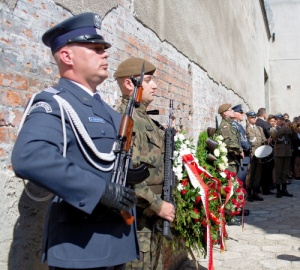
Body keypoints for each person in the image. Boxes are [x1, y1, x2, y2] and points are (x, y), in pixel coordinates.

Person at [11, 13, 139, 269]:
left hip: (117, 240)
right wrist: (100, 191)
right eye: (95, 48)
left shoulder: (107, 111)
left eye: (104, 49)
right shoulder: (53, 103)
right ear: (67, 57)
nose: (105, 54)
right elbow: (29, 157)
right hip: (82, 245)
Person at [114, 57, 176, 270]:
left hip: (152, 218)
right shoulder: (127, 120)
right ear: (130, 83)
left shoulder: (145, 119)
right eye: (148, 80)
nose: (155, 85)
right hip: (136, 220)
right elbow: (127, 174)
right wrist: (159, 206)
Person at [245, 111, 267, 202]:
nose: (254, 119)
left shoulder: (259, 129)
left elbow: (263, 139)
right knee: (250, 174)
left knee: (258, 174)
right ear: (248, 119)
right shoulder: (246, 129)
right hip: (251, 153)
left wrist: (266, 141)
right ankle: (249, 193)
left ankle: (255, 192)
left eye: (255, 117)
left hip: (259, 154)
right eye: (252, 117)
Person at [270, 113, 294, 198]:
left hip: (287, 151)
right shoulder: (274, 129)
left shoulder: (287, 128)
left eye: (282, 119)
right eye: (280, 119)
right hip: (279, 152)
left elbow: (293, 137)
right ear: (276, 120)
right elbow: (275, 136)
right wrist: (284, 128)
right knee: (278, 172)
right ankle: (278, 190)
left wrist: (289, 128)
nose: (282, 121)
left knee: (285, 171)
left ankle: (284, 189)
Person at [216, 103, 243, 173]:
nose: (233, 111)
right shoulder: (225, 126)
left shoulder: (229, 125)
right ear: (225, 113)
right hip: (229, 161)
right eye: (231, 110)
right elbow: (228, 143)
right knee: (231, 182)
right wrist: (240, 150)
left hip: (233, 160)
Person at [257, 108, 275, 195]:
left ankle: (258, 188)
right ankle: (266, 189)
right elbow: (270, 135)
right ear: (264, 115)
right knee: (267, 171)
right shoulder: (264, 123)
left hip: (258, 150)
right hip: (266, 149)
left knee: (258, 171)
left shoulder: (256, 122)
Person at [231, 104, 251, 183]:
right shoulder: (235, 125)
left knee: (244, 177)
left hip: (245, 154)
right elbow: (242, 140)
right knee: (240, 179)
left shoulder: (238, 125)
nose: (243, 114)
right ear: (235, 114)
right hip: (242, 155)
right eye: (241, 112)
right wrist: (248, 147)